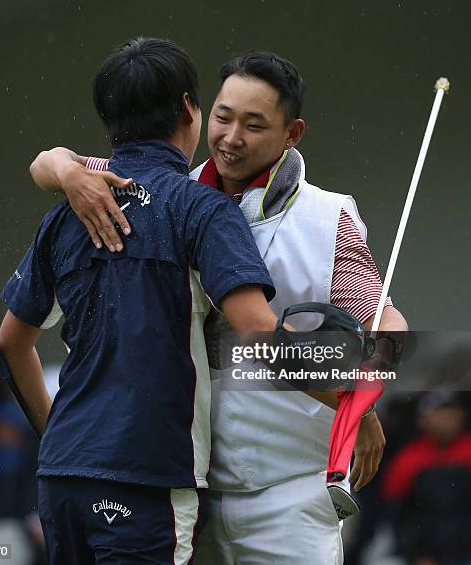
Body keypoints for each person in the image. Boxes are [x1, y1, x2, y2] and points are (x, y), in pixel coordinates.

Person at [29, 50, 408, 564]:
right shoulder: (166, 192)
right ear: (199, 111)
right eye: (224, 117)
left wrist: (359, 398)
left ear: (291, 134)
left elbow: (382, 322)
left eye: (254, 125)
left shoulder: (328, 215)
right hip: (189, 487)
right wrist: (64, 174)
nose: (231, 138)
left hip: (289, 491)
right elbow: (55, 161)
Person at [0, 37, 296, 565]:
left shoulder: (65, 213)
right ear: (188, 109)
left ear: (109, 117)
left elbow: (11, 342)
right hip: (147, 475)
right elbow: (258, 330)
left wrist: (57, 435)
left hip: (62, 475)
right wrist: (356, 380)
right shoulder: (200, 207)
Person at [382, 391, 471, 565]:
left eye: (451, 414)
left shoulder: (468, 449)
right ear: (423, 419)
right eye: (440, 414)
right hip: (423, 552)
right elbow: (395, 510)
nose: (446, 419)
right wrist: (415, 552)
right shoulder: (409, 458)